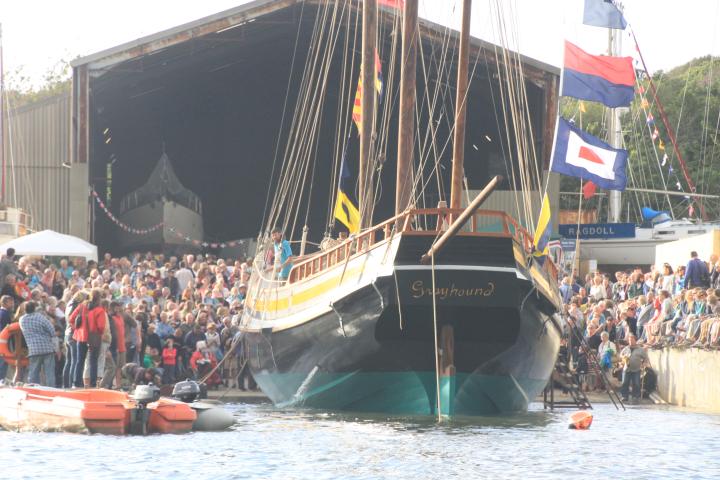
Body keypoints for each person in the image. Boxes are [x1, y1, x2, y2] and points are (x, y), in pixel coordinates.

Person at [19, 301, 56, 387]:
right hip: (47, 348)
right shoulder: (40, 317)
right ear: (34, 308)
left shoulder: (22, 320)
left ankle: (34, 390)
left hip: (33, 349)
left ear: (25, 309)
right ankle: (51, 390)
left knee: (33, 373)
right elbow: (52, 332)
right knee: (49, 373)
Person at [619, 334, 649, 402]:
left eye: (632, 340)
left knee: (636, 383)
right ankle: (624, 396)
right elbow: (620, 355)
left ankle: (635, 397)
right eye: (629, 340)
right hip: (626, 368)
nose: (630, 341)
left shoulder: (640, 350)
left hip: (636, 369)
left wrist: (644, 364)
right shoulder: (626, 348)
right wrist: (623, 358)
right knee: (624, 383)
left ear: (635, 340)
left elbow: (646, 358)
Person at [0, 295, 14, 382]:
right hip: (3, 342)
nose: (12, 304)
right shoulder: (5, 314)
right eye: (10, 302)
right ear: (4, 303)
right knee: (3, 361)